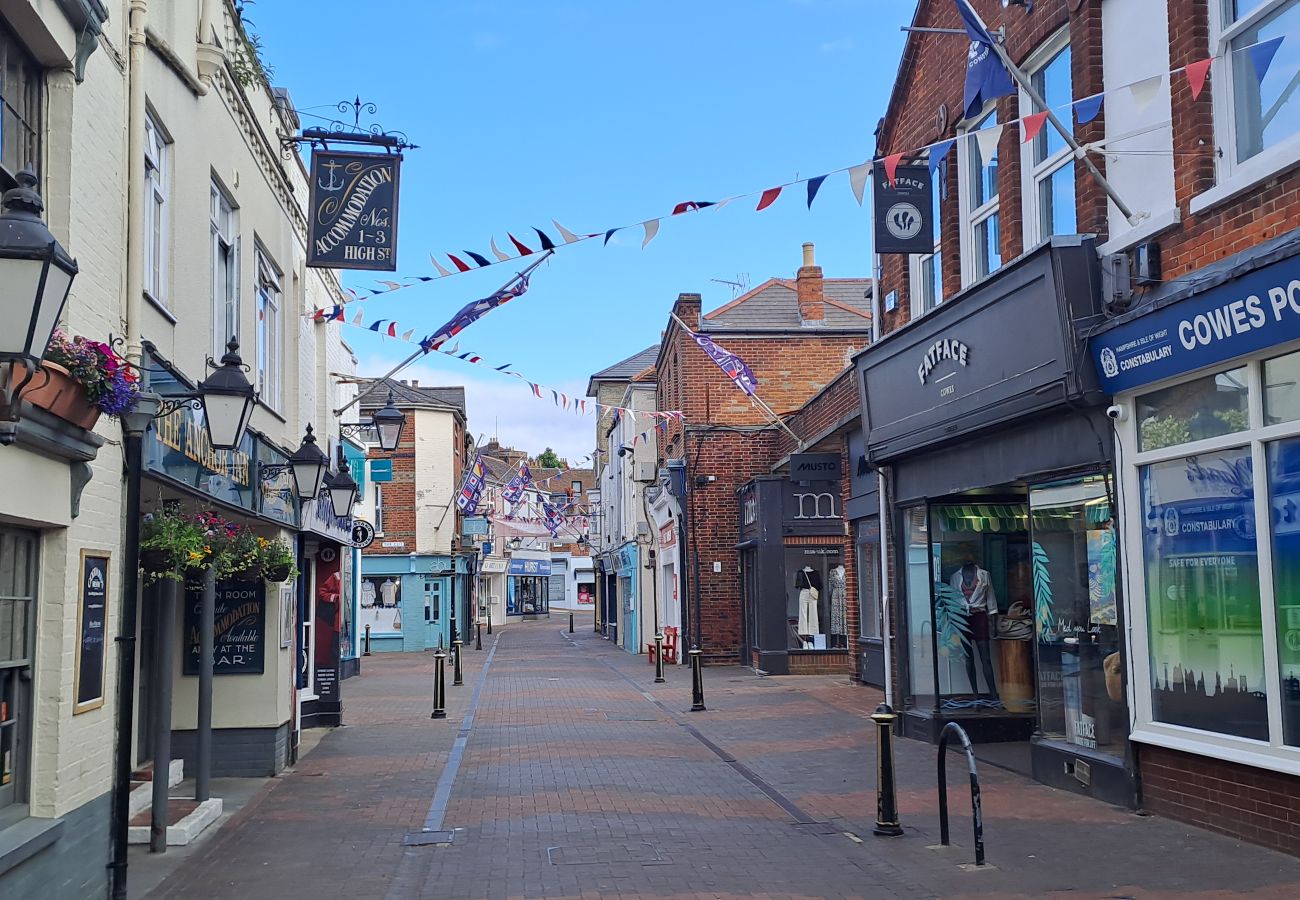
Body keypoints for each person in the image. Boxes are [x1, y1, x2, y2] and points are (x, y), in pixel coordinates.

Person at [950, 544, 998, 700]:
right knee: (968, 658)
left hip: (980, 616)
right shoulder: (955, 577)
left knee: (985, 657)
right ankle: (976, 695)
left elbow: (991, 602)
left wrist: (993, 624)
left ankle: (993, 695)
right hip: (963, 618)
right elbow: (954, 601)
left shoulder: (984, 575)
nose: (967, 558)